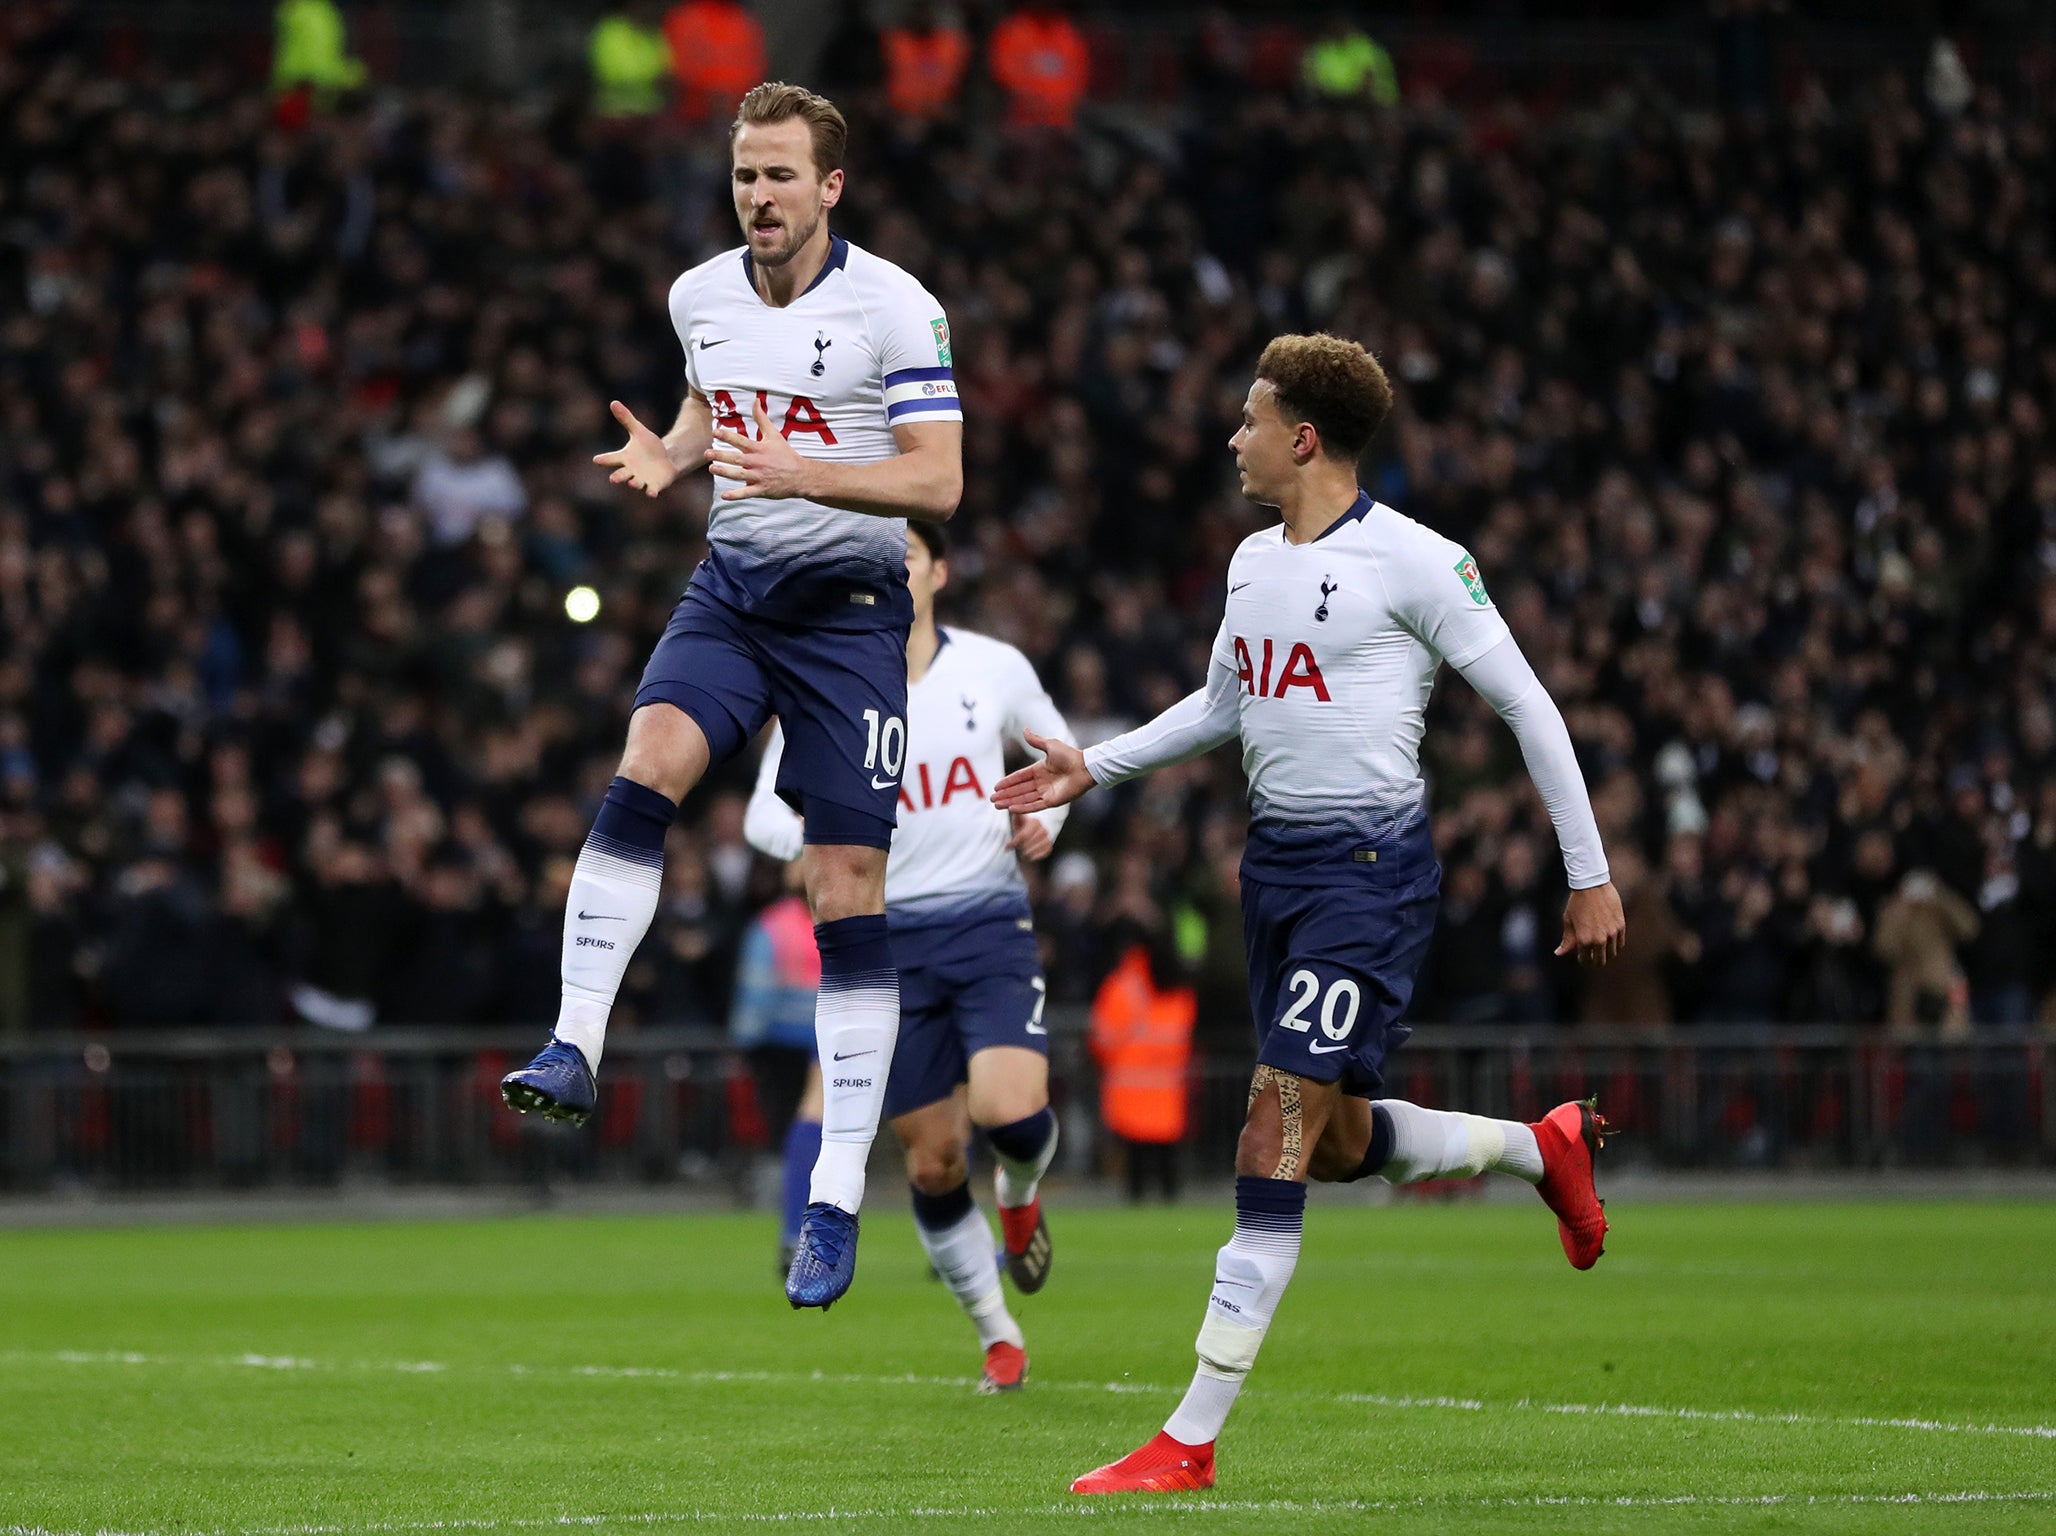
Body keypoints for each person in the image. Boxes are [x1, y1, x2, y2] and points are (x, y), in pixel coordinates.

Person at [994, 333, 1626, 1494]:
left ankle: (1187, 1439)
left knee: (1267, 1129)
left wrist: (1585, 871)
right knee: (1330, 1142)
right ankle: (1542, 1147)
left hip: (1368, 874)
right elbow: (1225, 703)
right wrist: (1098, 764)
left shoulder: (1420, 562)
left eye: (1247, 419)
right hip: (1274, 868)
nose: (1231, 438)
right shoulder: (1249, 562)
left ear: (1301, 438)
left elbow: (1531, 709)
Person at [499, 82, 963, 1312]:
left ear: (830, 188)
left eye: (780, 176)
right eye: (745, 174)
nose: (758, 196)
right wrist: (676, 448)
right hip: (736, 590)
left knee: (844, 888)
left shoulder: (899, 308)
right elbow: (718, 398)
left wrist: (795, 466)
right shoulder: (696, 294)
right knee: (644, 764)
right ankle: (576, 1043)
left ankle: (833, 1204)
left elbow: (942, 479)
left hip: (852, 620)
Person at [744, 520, 1068, 1392]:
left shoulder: (993, 667)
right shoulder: (827, 680)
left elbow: (1057, 757)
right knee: (930, 1161)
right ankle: (998, 1336)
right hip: (885, 945)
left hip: (986, 922)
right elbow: (762, 816)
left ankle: (1022, 1191)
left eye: (906, 559)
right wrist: (828, 827)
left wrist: (1048, 819)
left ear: (938, 572)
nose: (891, 573)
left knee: (1011, 1114)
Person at [728, 863, 822, 1272]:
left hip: (778, 1042)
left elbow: (756, 988)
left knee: (786, 1128)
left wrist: (745, 1041)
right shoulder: (847, 913)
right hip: (829, 1038)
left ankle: (792, 1230)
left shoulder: (773, 925)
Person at [1087, 936, 1195, 1202]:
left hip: (1129, 1084)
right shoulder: (1177, 984)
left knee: (1136, 1159)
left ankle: (1138, 1197)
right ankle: (1170, 1200)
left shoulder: (1123, 985)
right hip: (1168, 1084)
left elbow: (1102, 1037)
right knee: (1167, 1157)